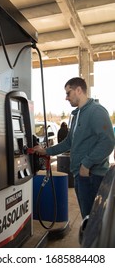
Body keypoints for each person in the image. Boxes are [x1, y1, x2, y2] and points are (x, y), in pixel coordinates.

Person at [33, 77, 115, 219]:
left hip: (92, 176)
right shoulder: (77, 116)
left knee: (94, 221)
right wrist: (45, 151)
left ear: (78, 90)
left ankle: (93, 242)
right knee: (87, 218)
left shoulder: (96, 111)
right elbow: (68, 142)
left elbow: (107, 142)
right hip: (81, 175)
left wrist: (86, 165)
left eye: (68, 93)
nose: (66, 98)